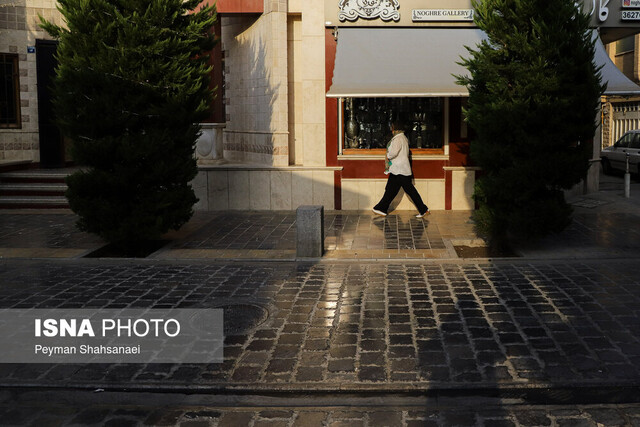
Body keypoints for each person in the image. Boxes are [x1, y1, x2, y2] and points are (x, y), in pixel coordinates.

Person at [372, 120, 429, 218]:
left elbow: (393, 153)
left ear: (396, 128)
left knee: (406, 190)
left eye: (392, 127)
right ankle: (381, 208)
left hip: (399, 170)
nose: (391, 129)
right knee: (391, 189)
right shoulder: (403, 138)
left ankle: (423, 209)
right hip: (400, 169)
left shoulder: (398, 139)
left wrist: (387, 154)